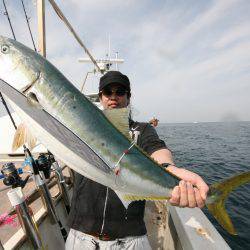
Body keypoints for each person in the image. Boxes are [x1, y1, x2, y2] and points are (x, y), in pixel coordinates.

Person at [66, 71, 209, 250]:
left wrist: (167, 167)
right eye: (108, 92)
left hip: (130, 239)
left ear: (128, 97)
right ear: (100, 97)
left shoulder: (142, 130)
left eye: (120, 92)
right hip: (81, 236)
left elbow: (156, 148)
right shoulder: (83, 125)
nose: (113, 97)